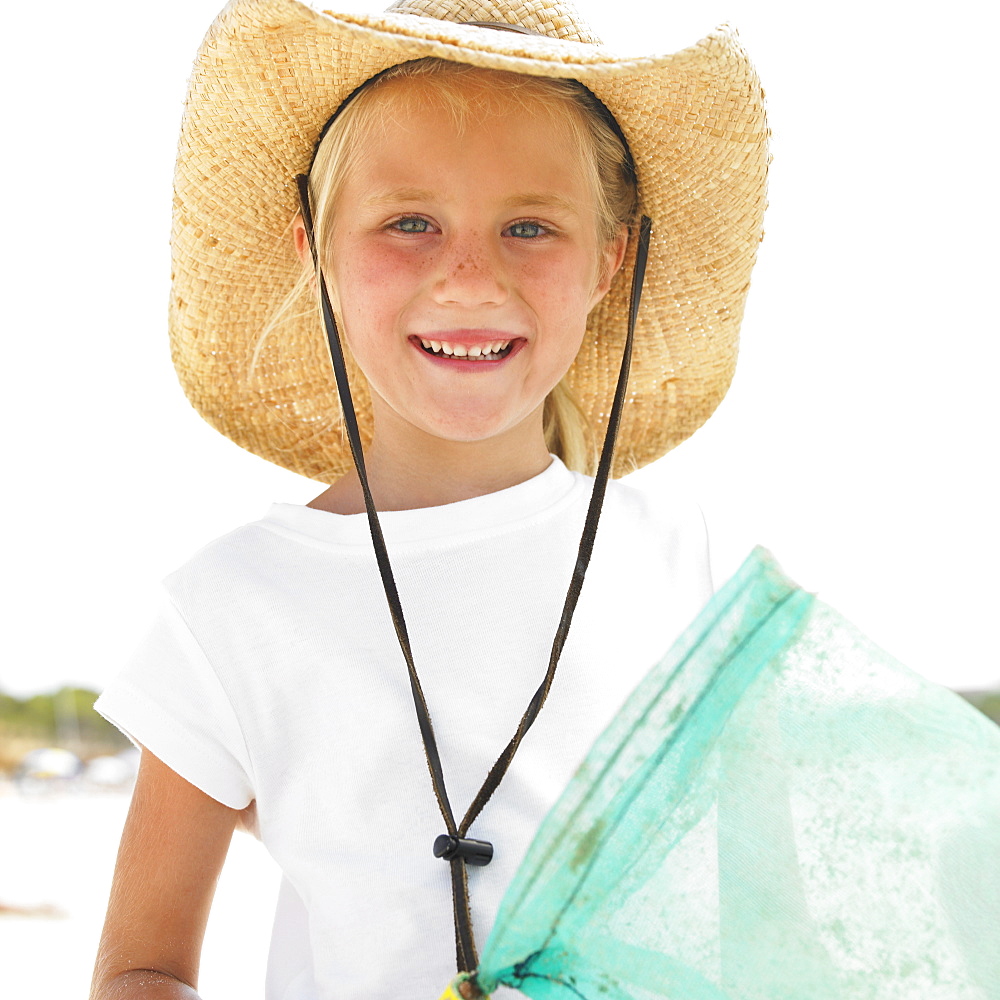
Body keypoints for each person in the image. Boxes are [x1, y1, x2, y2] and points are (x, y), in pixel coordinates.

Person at [90, 1, 768, 998]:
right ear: (315, 252)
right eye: (410, 222)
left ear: (608, 261)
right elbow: (141, 965)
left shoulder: (688, 563)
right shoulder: (229, 607)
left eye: (528, 226)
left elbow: (766, 920)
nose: (467, 273)